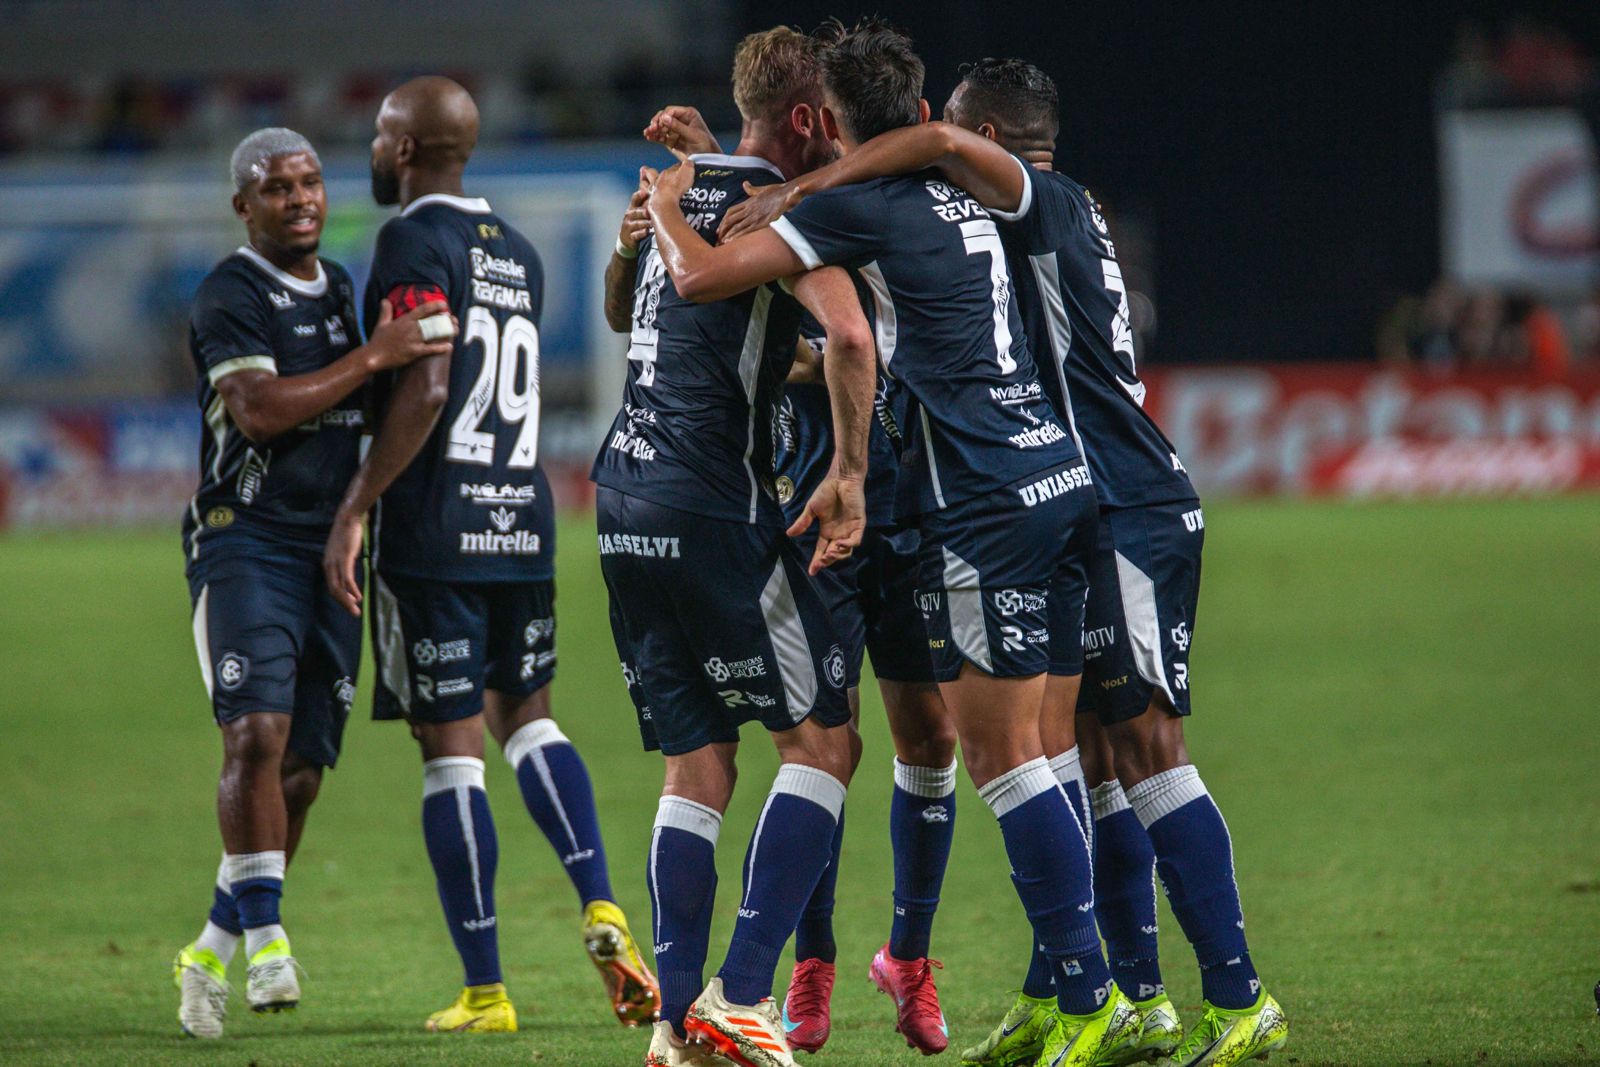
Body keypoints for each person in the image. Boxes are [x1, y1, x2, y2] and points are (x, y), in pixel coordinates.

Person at [721, 55, 1291, 1067]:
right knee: (1088, 756)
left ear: (989, 142)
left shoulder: (1037, 202)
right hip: (1083, 491)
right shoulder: (1025, 219)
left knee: (1137, 751)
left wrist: (805, 184)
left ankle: (1227, 994)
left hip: (1118, 498)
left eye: (958, 142)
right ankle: (1117, 993)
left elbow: (936, 145)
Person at [643, 20, 1140, 1067]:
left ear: (833, 123)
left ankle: (1045, 983)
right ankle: (1036, 988)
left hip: (947, 497)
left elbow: (719, 287)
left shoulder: (847, 203)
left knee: (959, 747)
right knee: (932, 742)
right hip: (1031, 481)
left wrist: (675, 200)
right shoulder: (973, 192)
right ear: (919, 115)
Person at [321, 76, 657, 1035]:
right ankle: (599, 899)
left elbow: (427, 385)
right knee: (531, 721)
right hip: (521, 516)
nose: (375, 151)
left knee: (451, 753)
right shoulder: (517, 249)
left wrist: (356, 506)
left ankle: (486, 991)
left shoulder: (407, 242)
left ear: (413, 150)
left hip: (434, 529)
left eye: (384, 136)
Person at [647, 103, 957, 1056]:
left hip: (909, 508)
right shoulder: (784, 204)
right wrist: (706, 170)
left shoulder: (921, 204)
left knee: (930, 737)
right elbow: (739, 322)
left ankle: (908, 955)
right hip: (804, 509)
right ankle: (805, 964)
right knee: (828, 740)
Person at [595, 27, 876, 1067]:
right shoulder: (791, 205)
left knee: (696, 759)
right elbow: (851, 338)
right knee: (824, 742)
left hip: (620, 498)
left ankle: (673, 1023)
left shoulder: (684, 181)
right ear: (808, 120)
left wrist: (645, 228)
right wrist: (846, 471)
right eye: (839, 120)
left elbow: (632, 312)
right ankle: (744, 991)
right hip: (713, 505)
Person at [173, 127, 454, 1038]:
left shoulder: (338, 287)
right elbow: (257, 412)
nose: (300, 198)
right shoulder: (230, 293)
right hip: (243, 539)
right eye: (277, 186)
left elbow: (366, 403)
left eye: (310, 182)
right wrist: (378, 355)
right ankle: (267, 941)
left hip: (332, 546)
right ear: (243, 206)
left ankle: (211, 946)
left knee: (301, 773)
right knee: (256, 731)